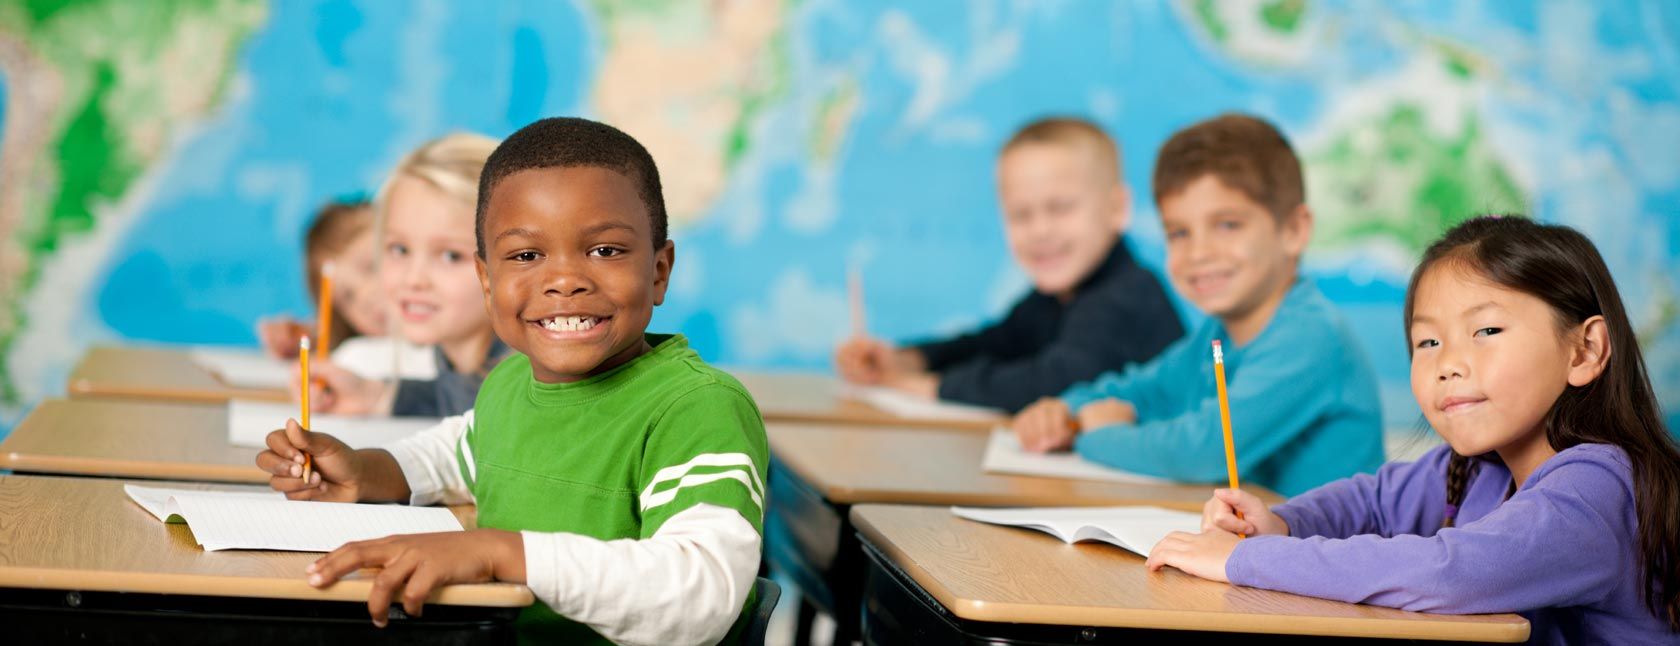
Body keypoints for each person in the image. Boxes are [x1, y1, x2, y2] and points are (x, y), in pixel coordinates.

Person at [256, 117, 768, 644]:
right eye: (526, 256)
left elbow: (702, 594)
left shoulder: (696, 409)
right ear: (487, 280)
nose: (565, 280)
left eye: (605, 250)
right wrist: (368, 470)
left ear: (659, 271)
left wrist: (502, 552)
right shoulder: (510, 383)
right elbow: (461, 452)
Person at [1149, 216, 1680, 643]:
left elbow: (1453, 573)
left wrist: (1246, 560)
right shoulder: (1479, 466)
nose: (1447, 363)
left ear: (1585, 349)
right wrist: (1281, 524)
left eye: (1486, 330)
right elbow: (1374, 503)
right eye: (1428, 342)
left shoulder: (1598, 486)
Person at [1013, 113, 1383, 496]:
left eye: (1227, 225)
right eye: (1179, 233)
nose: (1199, 253)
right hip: (1261, 542)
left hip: (1332, 552)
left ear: (1293, 230)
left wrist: (1094, 435)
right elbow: (1144, 391)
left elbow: (1204, 452)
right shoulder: (1218, 333)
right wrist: (1062, 412)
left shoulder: (1310, 337)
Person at [835, 117, 1182, 412]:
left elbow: (1053, 382)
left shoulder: (1126, 296)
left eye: (1060, 207)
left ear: (1116, 210)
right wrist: (907, 360)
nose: (1040, 230)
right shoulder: (1054, 298)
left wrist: (931, 387)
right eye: (1020, 214)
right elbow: (994, 342)